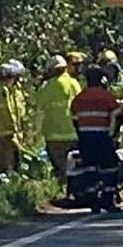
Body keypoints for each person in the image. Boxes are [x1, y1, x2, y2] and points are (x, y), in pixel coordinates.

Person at [70, 66, 123, 213]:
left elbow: (75, 119)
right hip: (103, 136)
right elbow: (118, 116)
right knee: (109, 168)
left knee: (89, 169)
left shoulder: (79, 98)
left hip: (85, 137)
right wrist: (113, 135)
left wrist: (81, 135)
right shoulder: (107, 96)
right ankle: (108, 200)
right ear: (101, 79)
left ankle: (93, 202)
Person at [37, 55, 81, 185]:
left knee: (61, 168)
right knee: (74, 165)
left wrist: (37, 132)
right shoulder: (74, 83)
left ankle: (64, 189)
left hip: (54, 135)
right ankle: (75, 189)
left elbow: (39, 110)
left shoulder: (47, 87)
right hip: (73, 133)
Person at [0, 63, 22, 172]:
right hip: (5, 129)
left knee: (1, 155)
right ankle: (11, 174)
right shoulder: (4, 90)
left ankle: (4, 174)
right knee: (12, 154)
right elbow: (8, 109)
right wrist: (14, 125)